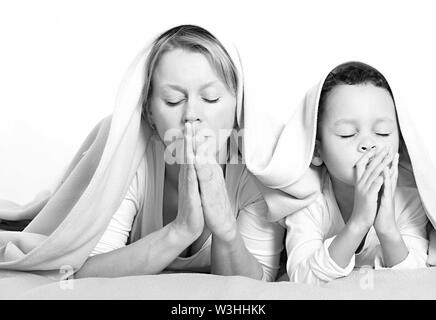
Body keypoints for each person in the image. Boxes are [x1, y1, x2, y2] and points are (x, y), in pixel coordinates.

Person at [0, 25, 284, 281]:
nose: (192, 116)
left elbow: (259, 282)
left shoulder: (258, 165)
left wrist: (226, 230)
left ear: (238, 107)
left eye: (211, 98)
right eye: (173, 101)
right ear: (149, 113)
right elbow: (84, 271)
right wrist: (180, 230)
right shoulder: (132, 157)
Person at [282, 62, 428, 285]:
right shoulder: (307, 199)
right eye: (347, 134)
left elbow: (417, 277)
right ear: (316, 150)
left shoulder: (409, 195)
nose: (369, 144)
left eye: (383, 132)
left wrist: (387, 229)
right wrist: (358, 223)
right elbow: (303, 278)